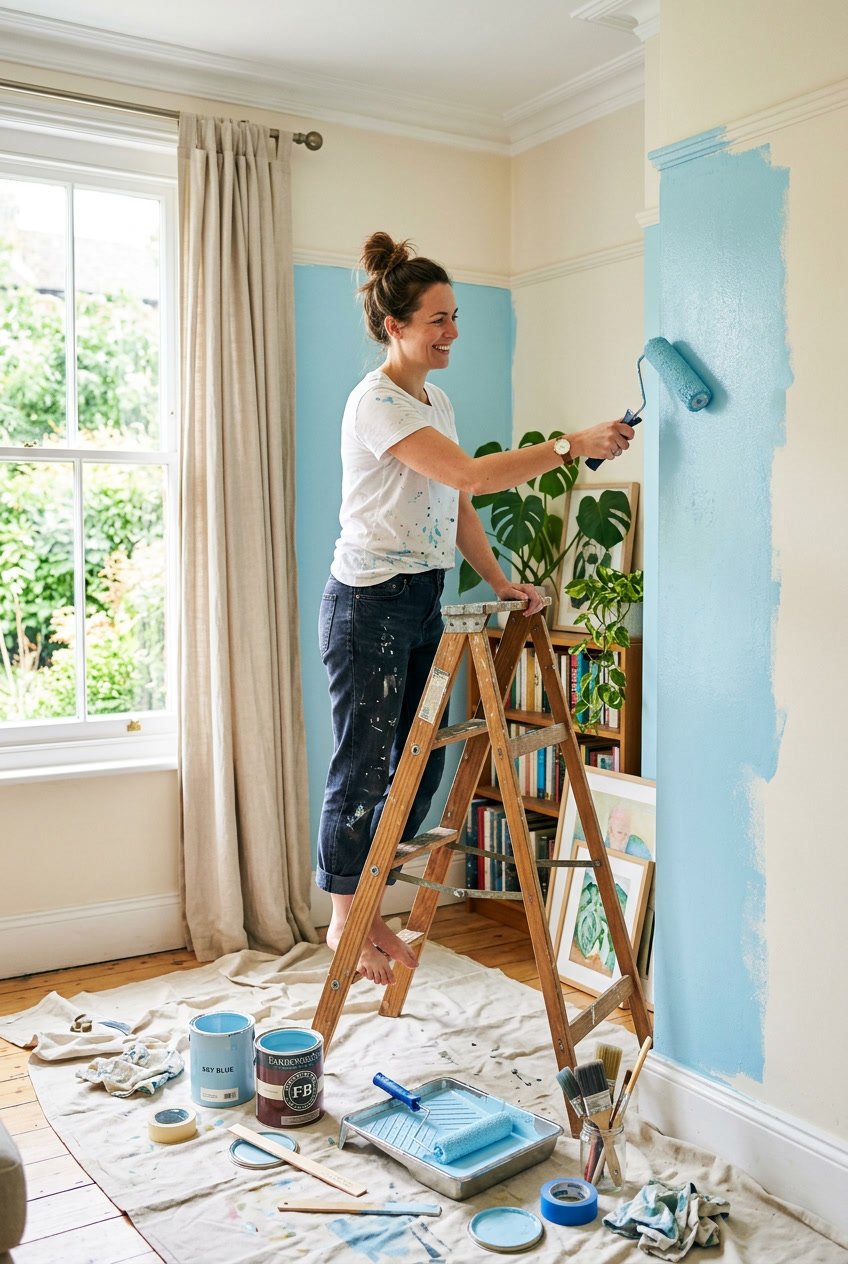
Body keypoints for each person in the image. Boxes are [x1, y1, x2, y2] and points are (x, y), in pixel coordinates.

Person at [317, 231, 636, 985]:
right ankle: (342, 924)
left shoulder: (438, 398)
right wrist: (570, 445)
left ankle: (373, 909)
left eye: (455, 316)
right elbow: (470, 473)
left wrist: (496, 581)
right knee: (364, 768)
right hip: (367, 604)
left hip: (423, 595)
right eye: (438, 319)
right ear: (395, 326)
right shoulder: (377, 404)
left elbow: (455, 502)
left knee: (419, 765)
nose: (453, 332)